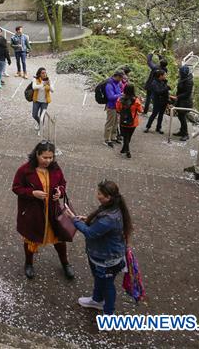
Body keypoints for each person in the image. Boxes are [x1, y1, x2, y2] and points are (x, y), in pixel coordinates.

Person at [68, 180, 132, 316]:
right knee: (100, 279)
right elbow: (100, 226)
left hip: (106, 259)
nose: (97, 195)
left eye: (99, 194)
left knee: (107, 285)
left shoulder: (108, 218)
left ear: (108, 197)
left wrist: (74, 220)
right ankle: (97, 300)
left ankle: (109, 313)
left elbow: (91, 233)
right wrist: (86, 219)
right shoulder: (113, 208)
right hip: (105, 255)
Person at [11, 142, 74, 280]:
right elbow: (16, 188)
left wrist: (60, 192)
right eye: (45, 157)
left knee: (59, 238)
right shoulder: (24, 170)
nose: (48, 161)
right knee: (30, 239)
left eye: (51, 157)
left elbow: (62, 183)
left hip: (53, 211)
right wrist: (32, 193)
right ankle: (28, 264)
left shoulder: (55, 168)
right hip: (33, 213)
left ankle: (65, 263)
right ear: (37, 154)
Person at [115, 84, 143, 159]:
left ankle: (124, 149)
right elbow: (140, 111)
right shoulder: (136, 100)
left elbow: (117, 109)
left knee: (125, 136)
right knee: (129, 136)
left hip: (123, 120)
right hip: (133, 121)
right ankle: (127, 151)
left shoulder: (120, 99)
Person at [143, 70, 170, 134]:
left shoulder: (163, 82)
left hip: (164, 101)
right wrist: (166, 88)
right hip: (157, 101)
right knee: (154, 114)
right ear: (160, 76)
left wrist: (168, 100)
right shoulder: (154, 83)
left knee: (161, 115)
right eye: (164, 75)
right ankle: (148, 127)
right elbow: (158, 92)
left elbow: (165, 92)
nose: (165, 76)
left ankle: (158, 128)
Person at [173, 65, 194, 141]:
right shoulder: (183, 78)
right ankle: (182, 131)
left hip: (185, 102)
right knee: (180, 116)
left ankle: (186, 134)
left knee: (182, 117)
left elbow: (187, 93)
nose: (179, 73)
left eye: (180, 72)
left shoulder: (189, 81)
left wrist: (178, 97)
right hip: (181, 100)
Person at [103, 70, 124, 147]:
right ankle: (106, 139)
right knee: (110, 123)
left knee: (115, 122)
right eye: (121, 78)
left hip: (117, 106)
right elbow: (110, 97)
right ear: (117, 76)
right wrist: (121, 95)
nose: (122, 80)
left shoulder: (117, 83)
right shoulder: (109, 84)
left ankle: (113, 137)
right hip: (111, 106)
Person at [31, 67, 53, 136]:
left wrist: (49, 85)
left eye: (45, 73)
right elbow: (34, 87)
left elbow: (53, 90)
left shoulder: (48, 80)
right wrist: (43, 84)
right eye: (42, 73)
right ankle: (39, 123)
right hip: (36, 101)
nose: (44, 74)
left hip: (44, 102)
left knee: (42, 116)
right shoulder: (35, 79)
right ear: (39, 73)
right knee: (34, 115)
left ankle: (41, 128)